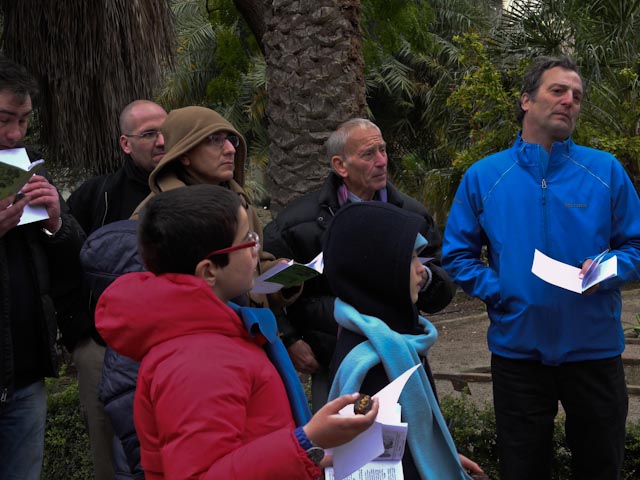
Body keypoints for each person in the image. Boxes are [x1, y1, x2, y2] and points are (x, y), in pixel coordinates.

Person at [441, 56, 640, 479]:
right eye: (558, 91)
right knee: (523, 469)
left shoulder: (605, 170)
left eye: (577, 96)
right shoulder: (484, 176)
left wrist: (606, 269)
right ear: (526, 100)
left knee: (601, 468)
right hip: (518, 355)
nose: (570, 101)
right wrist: (502, 290)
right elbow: (457, 255)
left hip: (594, 353)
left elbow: (636, 246)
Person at [94, 185, 380, 479]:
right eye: (247, 240)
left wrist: (308, 454)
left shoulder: (216, 330)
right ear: (209, 271)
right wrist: (306, 441)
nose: (256, 249)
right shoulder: (198, 362)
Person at [263, 118, 456, 411]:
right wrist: (288, 339)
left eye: (383, 150)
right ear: (340, 165)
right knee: (344, 438)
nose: (382, 161)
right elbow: (266, 289)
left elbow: (441, 287)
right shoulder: (297, 224)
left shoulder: (412, 216)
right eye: (369, 154)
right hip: (333, 362)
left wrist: (424, 276)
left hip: (401, 358)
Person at [324, 201, 484, 479]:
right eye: (409, 258)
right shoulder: (373, 364)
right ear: (378, 272)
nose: (422, 270)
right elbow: (376, 466)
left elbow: (402, 440)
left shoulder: (393, 340)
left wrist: (443, 455)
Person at [0, 55, 86, 480]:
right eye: (4, 120)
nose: (15, 134)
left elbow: (77, 260)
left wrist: (56, 222)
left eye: (24, 120)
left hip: (26, 372)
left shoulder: (29, 163)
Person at [133, 105, 291, 308]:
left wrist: (279, 273)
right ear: (184, 154)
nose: (230, 149)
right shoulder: (153, 217)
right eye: (214, 140)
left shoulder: (240, 202)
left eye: (230, 139)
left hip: (250, 324)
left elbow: (255, 269)